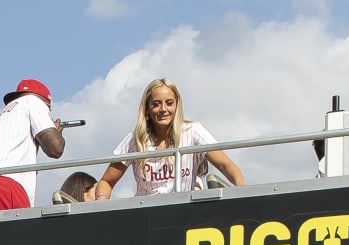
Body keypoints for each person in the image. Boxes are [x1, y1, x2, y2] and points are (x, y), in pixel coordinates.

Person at [90, 79, 246, 199]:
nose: (163, 109)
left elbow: (225, 165)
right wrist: (100, 202)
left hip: (183, 211)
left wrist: (243, 191)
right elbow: (106, 181)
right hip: (147, 215)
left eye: (169, 103)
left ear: (177, 106)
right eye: (156, 104)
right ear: (147, 109)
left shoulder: (193, 131)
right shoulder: (136, 139)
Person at [0, 78, 65, 204]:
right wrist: (56, 133)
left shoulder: (7, 113)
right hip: (7, 185)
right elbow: (55, 148)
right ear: (46, 103)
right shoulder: (33, 101)